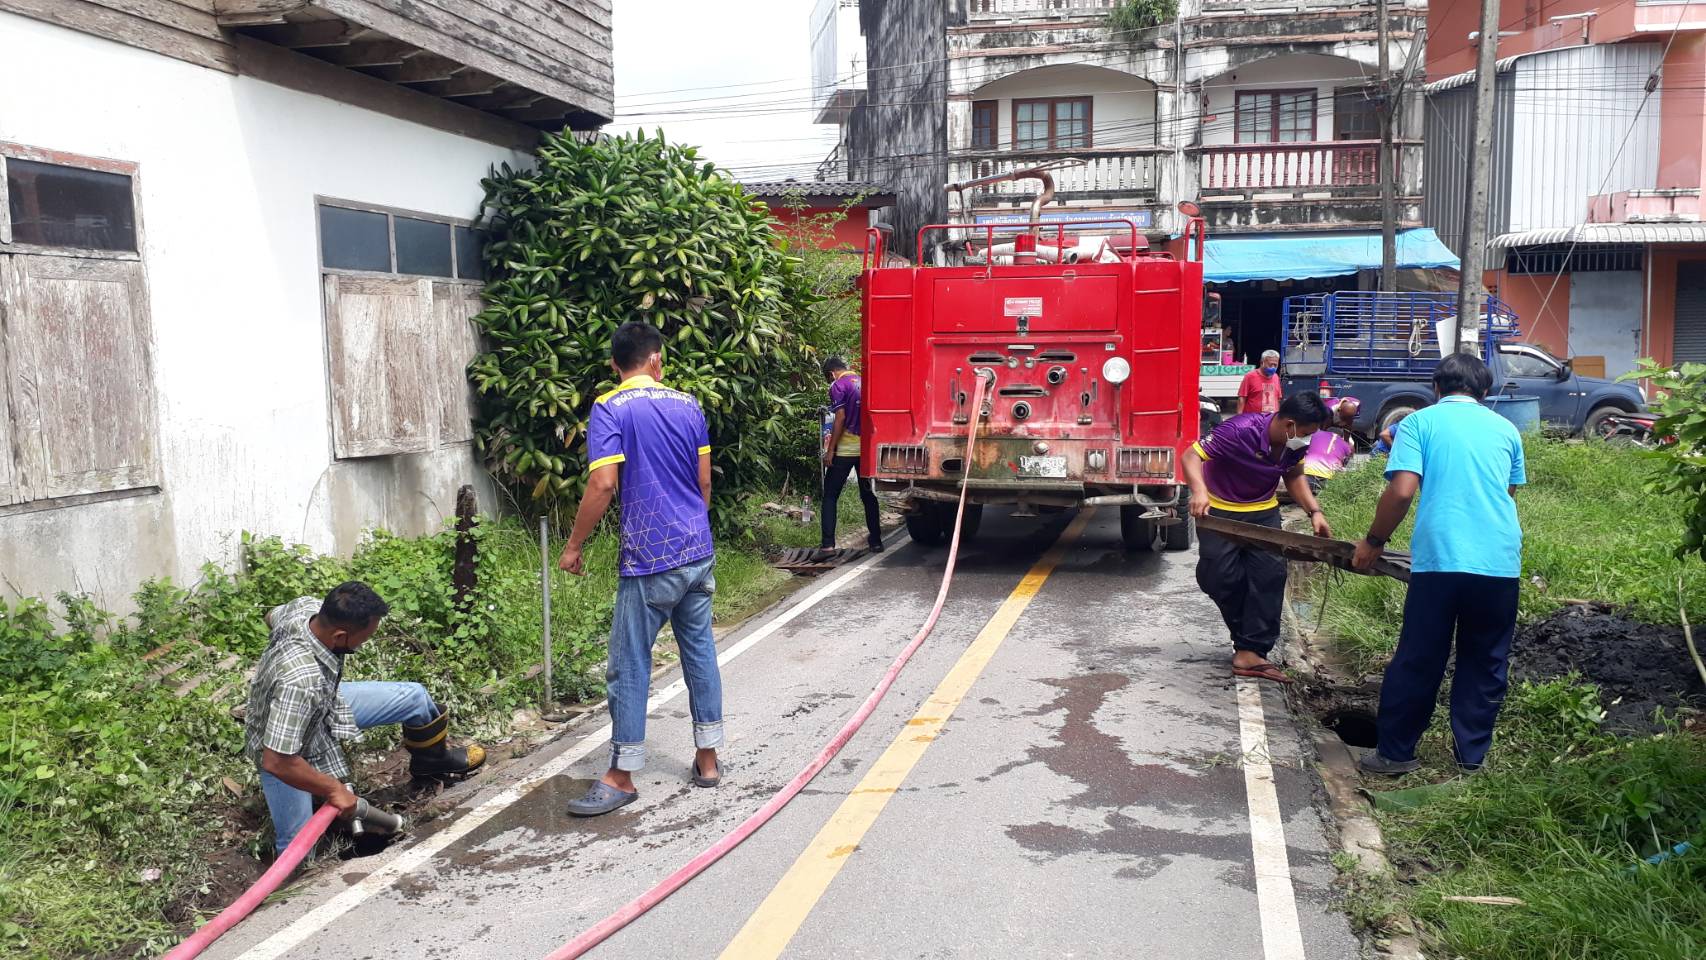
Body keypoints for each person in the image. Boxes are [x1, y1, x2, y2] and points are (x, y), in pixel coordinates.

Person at [559, 321, 723, 816]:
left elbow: (604, 485)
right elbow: (703, 483)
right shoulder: (689, 404)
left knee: (629, 663)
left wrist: (573, 546)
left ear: (615, 365)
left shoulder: (609, 407)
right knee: (699, 652)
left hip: (650, 557)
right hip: (698, 549)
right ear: (656, 360)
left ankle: (622, 774)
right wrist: (695, 526)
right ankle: (709, 759)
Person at [1352, 352, 1525, 775]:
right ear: (1484, 392)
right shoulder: (1507, 429)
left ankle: (1395, 754)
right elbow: (1508, 493)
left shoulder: (1418, 423)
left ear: (1436, 387)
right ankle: (1471, 760)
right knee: (1485, 660)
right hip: (1500, 562)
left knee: (1419, 656)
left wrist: (1374, 540)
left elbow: (1402, 491)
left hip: (1441, 561)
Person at [245, 582, 486, 856]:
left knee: (415, 698)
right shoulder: (300, 683)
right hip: (286, 744)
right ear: (339, 636)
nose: (366, 642)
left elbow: (271, 616)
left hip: (327, 704)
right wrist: (333, 788)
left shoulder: (304, 609)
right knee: (297, 850)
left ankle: (432, 763)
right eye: (364, 638)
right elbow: (276, 760)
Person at [1182, 392, 1334, 684]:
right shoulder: (1238, 430)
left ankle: (1251, 651)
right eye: (1305, 433)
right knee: (1219, 578)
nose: (1307, 440)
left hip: (1263, 513)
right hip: (1220, 512)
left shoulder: (1293, 445)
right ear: (1289, 424)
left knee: (1269, 577)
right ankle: (1246, 643)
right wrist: (1199, 491)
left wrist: (1315, 511)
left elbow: (1293, 475)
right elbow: (1191, 456)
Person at [819, 357, 883, 553]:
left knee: (830, 495)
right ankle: (876, 541)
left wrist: (830, 450)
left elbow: (840, 418)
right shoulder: (865, 381)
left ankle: (828, 544)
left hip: (845, 451)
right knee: (868, 496)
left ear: (831, 374)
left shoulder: (838, 385)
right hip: (865, 450)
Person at [1302, 397, 1362, 494]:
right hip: (1328, 482)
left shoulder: (1354, 406)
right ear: (1339, 411)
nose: (1347, 420)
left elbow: (1348, 426)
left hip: (1305, 479)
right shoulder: (1328, 410)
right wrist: (1345, 445)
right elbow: (1323, 428)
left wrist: (1346, 441)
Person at [1236, 349, 1282, 414]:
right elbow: (1242, 398)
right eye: (1270, 365)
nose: (1273, 367)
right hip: (1253, 419)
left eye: (1275, 365)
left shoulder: (1276, 377)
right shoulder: (1250, 376)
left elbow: (1277, 399)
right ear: (1262, 363)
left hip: (1270, 419)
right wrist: (1239, 418)